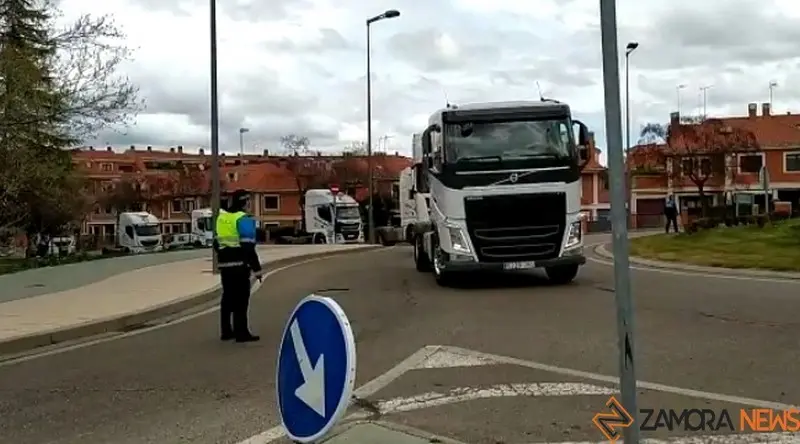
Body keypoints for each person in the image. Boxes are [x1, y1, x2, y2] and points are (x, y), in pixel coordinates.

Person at [214, 189, 261, 342]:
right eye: (249, 201)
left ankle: (226, 331)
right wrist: (257, 268)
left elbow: (216, 242)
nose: (250, 204)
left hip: (225, 265)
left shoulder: (222, 218)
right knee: (241, 299)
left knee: (227, 297)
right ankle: (242, 333)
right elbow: (248, 247)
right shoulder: (244, 219)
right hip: (240, 265)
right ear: (245, 202)